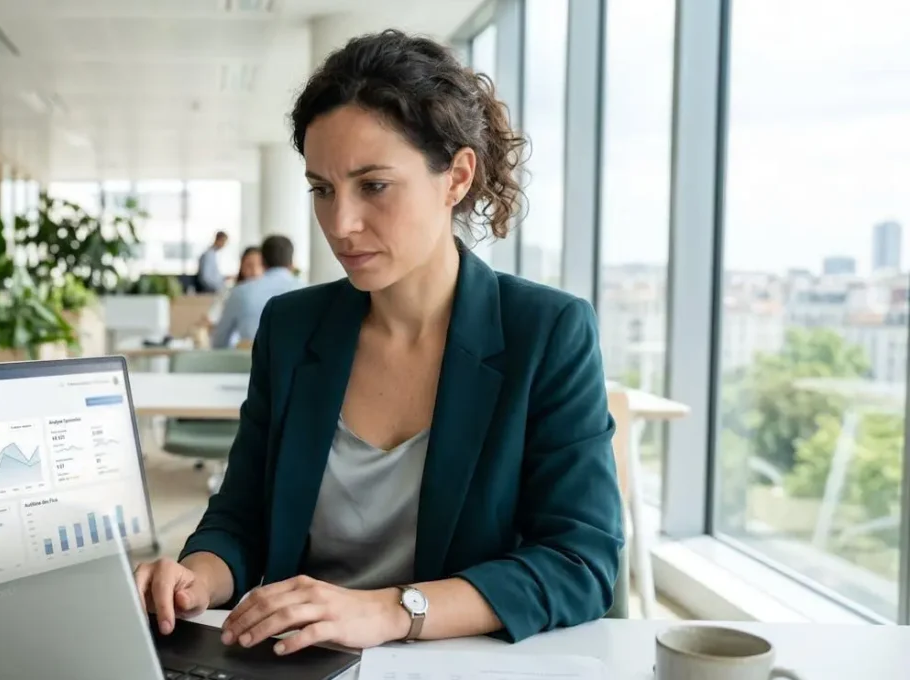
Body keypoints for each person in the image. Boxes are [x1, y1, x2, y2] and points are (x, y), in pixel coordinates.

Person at [133, 30, 622, 653]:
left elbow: (581, 561)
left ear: (457, 177)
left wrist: (392, 611)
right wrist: (193, 579)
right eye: (322, 189)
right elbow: (243, 517)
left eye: (374, 185)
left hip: (456, 664)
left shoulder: (547, 333)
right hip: (299, 662)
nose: (341, 224)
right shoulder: (291, 329)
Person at [209, 235, 303, 349]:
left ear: (262, 261)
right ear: (292, 262)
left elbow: (219, 342)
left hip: (250, 364)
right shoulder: (310, 291)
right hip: (302, 365)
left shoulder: (240, 293)